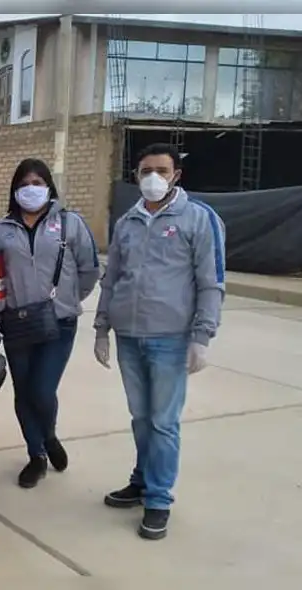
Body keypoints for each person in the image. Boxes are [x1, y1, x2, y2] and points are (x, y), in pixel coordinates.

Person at [94, 143, 225, 541]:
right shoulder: (127, 222)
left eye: (162, 171)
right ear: (136, 175)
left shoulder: (198, 218)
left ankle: (159, 499)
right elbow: (111, 279)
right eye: (145, 170)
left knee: (163, 422)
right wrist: (101, 328)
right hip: (129, 337)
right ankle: (142, 480)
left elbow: (211, 281)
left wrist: (202, 336)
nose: (153, 177)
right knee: (141, 417)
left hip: (170, 338)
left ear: (176, 175)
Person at [0, 158, 99, 489]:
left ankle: (48, 436)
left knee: (42, 389)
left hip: (59, 323)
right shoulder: (2, 229)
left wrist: (68, 300)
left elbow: (89, 269)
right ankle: (36, 454)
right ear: (14, 190)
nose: (31, 189)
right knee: (23, 392)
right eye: (24, 184)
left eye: (37, 183)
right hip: (17, 321)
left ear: (49, 187)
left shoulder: (69, 223)